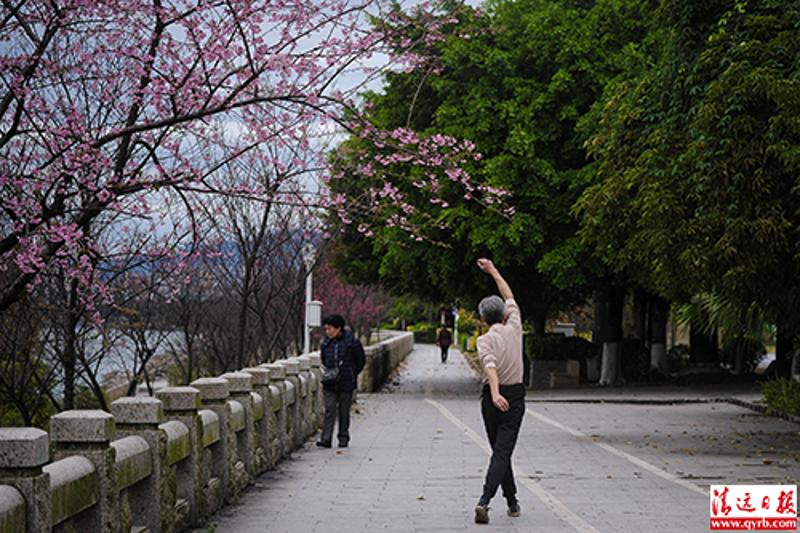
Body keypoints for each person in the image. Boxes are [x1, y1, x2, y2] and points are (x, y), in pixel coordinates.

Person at [473, 258, 525, 524]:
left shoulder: (483, 340)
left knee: (499, 451)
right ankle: (485, 500)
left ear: (483, 318)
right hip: (513, 397)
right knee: (502, 452)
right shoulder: (515, 328)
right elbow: (509, 295)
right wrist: (493, 270)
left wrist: (493, 394)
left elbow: (490, 366)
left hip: (491, 401)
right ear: (504, 314)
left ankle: (512, 501)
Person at [317, 314, 366, 449]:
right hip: (330, 382)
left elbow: (361, 361)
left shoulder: (352, 342)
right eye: (326, 329)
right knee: (330, 409)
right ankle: (326, 439)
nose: (328, 332)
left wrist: (351, 373)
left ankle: (343, 438)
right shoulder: (325, 344)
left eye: (330, 329)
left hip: (346, 382)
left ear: (339, 328)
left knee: (344, 411)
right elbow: (324, 361)